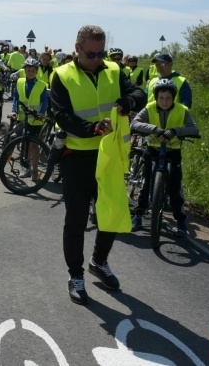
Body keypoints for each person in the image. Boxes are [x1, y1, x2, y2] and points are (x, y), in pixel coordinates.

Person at [51, 25, 146, 305]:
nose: (96, 58)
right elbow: (61, 115)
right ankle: (75, 275)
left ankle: (99, 261)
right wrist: (91, 128)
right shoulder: (62, 75)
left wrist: (128, 101)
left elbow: (139, 93)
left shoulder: (114, 71)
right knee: (76, 220)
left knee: (112, 213)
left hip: (110, 156)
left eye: (100, 52)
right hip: (77, 156)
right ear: (77, 48)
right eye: (91, 53)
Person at [130, 78, 199, 236]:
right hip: (153, 149)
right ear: (156, 97)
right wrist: (155, 129)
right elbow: (135, 123)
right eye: (161, 97)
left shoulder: (182, 110)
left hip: (173, 151)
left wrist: (175, 131)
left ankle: (181, 222)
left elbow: (193, 129)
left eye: (168, 98)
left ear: (173, 97)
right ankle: (138, 215)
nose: (165, 101)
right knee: (146, 184)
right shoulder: (150, 107)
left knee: (175, 188)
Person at [9, 58, 49, 181]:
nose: (30, 72)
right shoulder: (20, 82)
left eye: (33, 70)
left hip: (36, 120)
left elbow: (44, 101)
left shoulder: (42, 85)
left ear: (36, 71)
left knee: (33, 145)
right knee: (23, 142)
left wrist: (42, 113)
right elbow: (16, 98)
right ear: (24, 70)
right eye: (28, 70)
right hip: (22, 117)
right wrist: (14, 111)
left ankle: (35, 170)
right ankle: (25, 168)